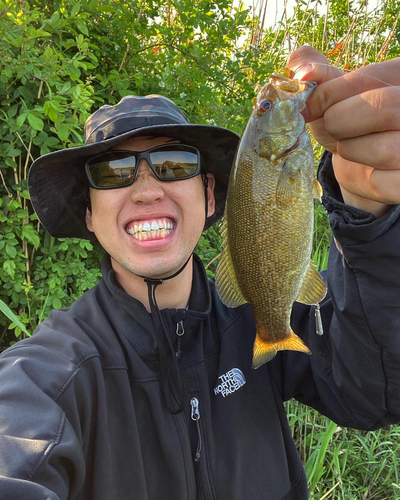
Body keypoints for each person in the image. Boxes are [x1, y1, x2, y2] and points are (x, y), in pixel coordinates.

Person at [0, 45, 400, 500]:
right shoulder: (48, 375)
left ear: (209, 196)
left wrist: (372, 216)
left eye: (174, 164)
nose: (147, 190)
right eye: (113, 171)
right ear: (89, 214)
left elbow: (378, 390)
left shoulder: (263, 316)